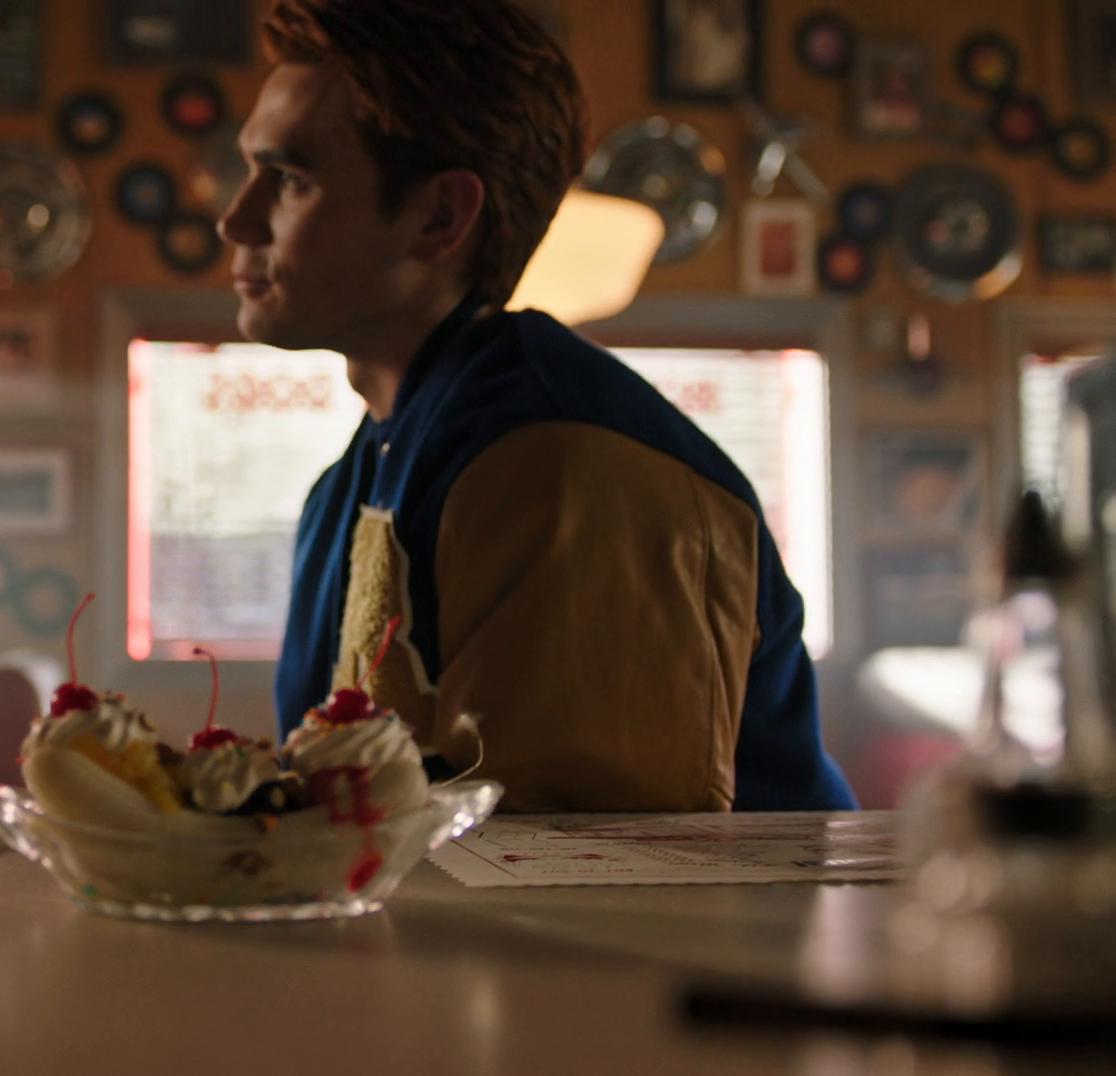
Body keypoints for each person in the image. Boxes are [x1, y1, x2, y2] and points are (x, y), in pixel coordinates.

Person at [221, 0, 856, 812]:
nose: (236, 219)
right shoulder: (352, 479)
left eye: (289, 179)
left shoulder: (567, 464)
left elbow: (578, 872)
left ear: (439, 216)